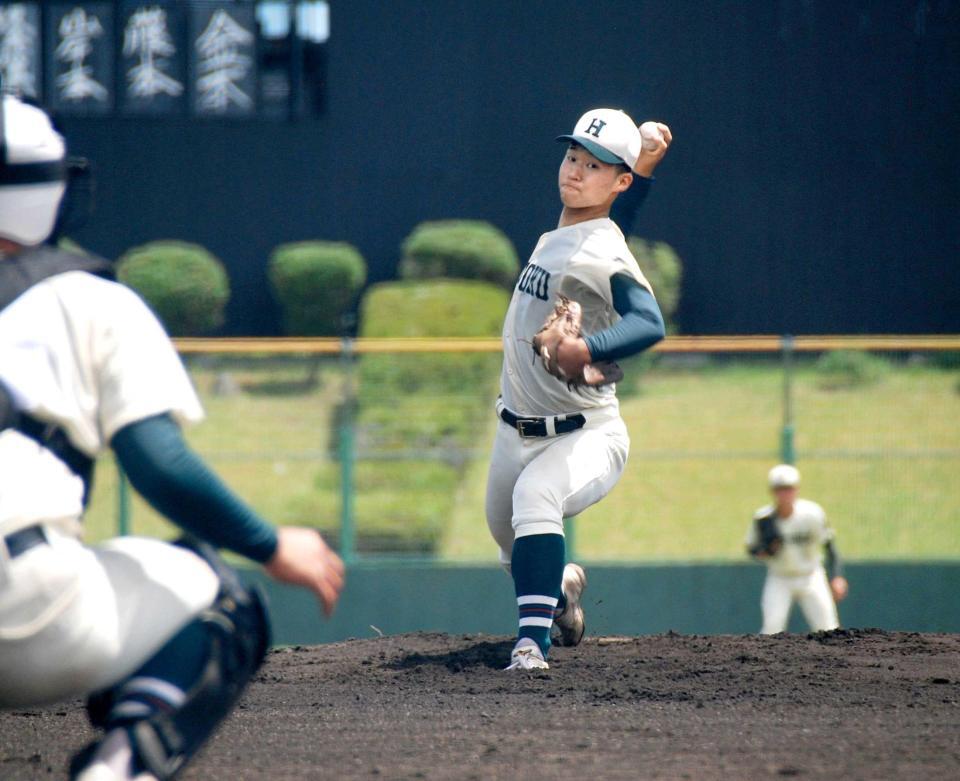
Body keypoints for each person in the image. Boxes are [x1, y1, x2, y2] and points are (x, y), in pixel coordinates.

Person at [0, 93, 344, 780]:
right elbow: (157, 463)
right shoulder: (89, 298)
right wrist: (272, 545)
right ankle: (119, 768)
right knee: (221, 593)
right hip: (24, 605)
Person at [485, 108, 671, 670]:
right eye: (572, 158)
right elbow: (611, 218)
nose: (575, 171)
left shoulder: (601, 249)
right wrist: (636, 164)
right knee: (512, 547)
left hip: (585, 434)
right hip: (513, 428)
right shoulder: (569, 230)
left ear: (618, 180)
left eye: (594, 166)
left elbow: (649, 321)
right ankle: (560, 594)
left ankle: (530, 647)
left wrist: (588, 349)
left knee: (536, 499)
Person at [746, 464, 848, 634]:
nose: (784, 494)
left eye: (788, 488)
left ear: (797, 489)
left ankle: (838, 661)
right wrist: (764, 551)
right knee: (771, 628)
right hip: (780, 577)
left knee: (829, 628)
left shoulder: (812, 514)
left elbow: (829, 545)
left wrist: (837, 575)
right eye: (780, 489)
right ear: (772, 491)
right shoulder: (764, 518)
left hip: (811, 576)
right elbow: (752, 549)